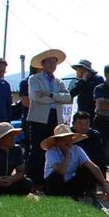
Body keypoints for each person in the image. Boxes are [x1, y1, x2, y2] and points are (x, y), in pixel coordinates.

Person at [26, 49, 72, 186]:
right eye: (49, 62)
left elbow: (68, 98)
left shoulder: (59, 81)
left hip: (55, 118)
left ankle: (48, 179)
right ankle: (33, 180)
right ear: (43, 64)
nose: (52, 65)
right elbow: (36, 97)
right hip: (38, 118)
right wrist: (57, 98)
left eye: (54, 62)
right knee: (37, 149)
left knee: (52, 147)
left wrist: (50, 95)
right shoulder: (34, 78)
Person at [41, 124, 109, 199]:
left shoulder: (77, 149)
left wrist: (104, 185)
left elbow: (93, 167)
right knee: (56, 175)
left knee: (87, 170)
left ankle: (80, 192)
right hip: (54, 184)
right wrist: (67, 155)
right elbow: (61, 171)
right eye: (63, 139)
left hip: (70, 182)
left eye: (69, 138)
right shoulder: (51, 152)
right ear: (57, 141)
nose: (67, 142)